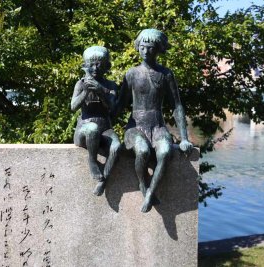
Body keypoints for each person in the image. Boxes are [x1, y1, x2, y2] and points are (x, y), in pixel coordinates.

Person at [118, 29, 193, 212]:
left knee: (166, 152)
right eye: (142, 47)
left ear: (158, 49)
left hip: (158, 126)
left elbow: (177, 106)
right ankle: (144, 185)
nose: (146, 51)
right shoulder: (132, 73)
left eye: (150, 48)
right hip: (135, 126)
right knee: (142, 151)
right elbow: (119, 104)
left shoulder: (166, 74)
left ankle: (151, 193)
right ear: (138, 47)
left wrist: (184, 138)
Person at [71, 46, 121, 196]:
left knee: (116, 147)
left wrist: (100, 90)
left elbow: (113, 108)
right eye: (91, 64)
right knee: (92, 128)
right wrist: (86, 91)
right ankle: (92, 161)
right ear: (85, 65)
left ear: (106, 66)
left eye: (99, 64)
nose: (95, 68)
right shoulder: (80, 83)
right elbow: (73, 106)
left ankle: (103, 180)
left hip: (105, 127)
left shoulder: (111, 85)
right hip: (84, 128)